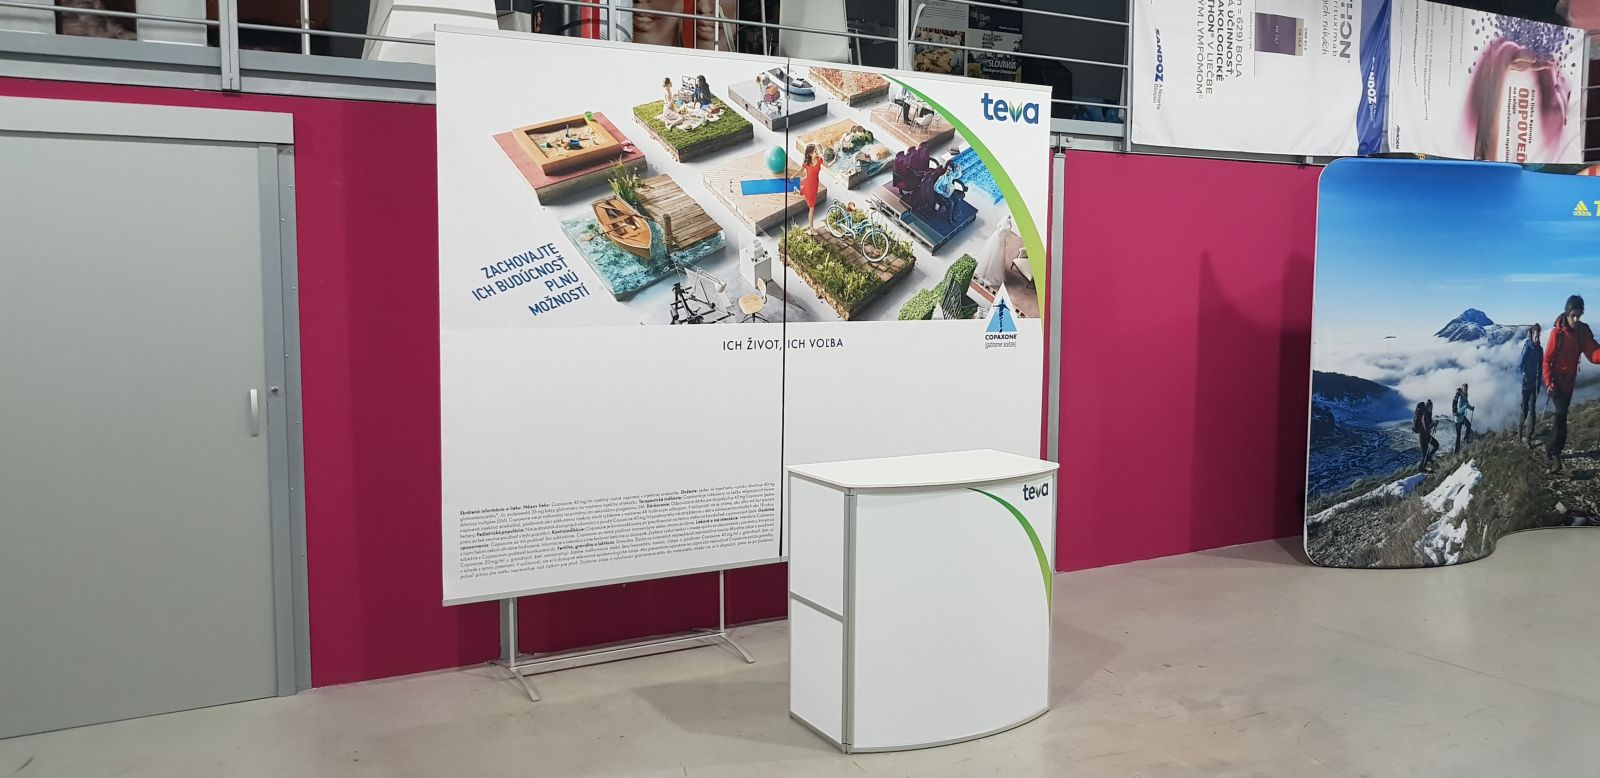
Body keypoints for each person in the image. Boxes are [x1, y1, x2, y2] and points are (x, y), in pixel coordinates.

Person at [1544, 295, 1600, 472]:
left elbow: (1593, 353)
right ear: (1567, 313)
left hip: (1569, 383)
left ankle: (1549, 448)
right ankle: (1555, 455)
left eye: (1579, 315)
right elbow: (1547, 360)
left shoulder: (1582, 332)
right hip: (1556, 383)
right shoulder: (1557, 333)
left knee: (1560, 418)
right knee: (1561, 418)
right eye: (1573, 315)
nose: (1576, 319)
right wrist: (1548, 382)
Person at [1520, 323, 1544, 445]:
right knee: (1525, 411)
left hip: (1534, 384)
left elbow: (1541, 367)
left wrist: (1539, 385)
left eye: (1539, 335)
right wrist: (1523, 373)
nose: (1537, 338)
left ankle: (1529, 437)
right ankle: (1520, 430)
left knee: (1532, 410)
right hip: (1526, 384)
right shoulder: (1527, 347)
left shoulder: (1540, 350)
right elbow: (1521, 363)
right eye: (1536, 335)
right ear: (1532, 335)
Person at [799, 144, 824, 228]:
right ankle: (811, 228)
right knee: (812, 208)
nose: (816, 152)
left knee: (811, 203)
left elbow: (825, 162)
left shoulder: (819, 160)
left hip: (815, 185)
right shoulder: (806, 163)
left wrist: (820, 153)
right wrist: (793, 176)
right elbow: (800, 170)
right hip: (809, 185)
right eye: (814, 151)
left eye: (816, 151)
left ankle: (798, 191)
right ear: (810, 154)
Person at [1414, 400, 1440, 471]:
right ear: (1427, 407)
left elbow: (1429, 423)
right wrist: (1433, 424)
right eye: (1430, 407)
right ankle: (1420, 469)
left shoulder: (1428, 414)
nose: (1431, 408)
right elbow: (1426, 428)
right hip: (1423, 437)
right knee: (1424, 455)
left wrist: (1434, 422)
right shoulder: (1424, 416)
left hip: (1427, 436)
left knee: (1436, 445)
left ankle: (1428, 459)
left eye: (1432, 407)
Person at [1452, 384, 1475, 451]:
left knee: (1469, 425)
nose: (1466, 390)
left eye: (1466, 389)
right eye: (1465, 389)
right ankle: (1456, 451)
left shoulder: (1465, 396)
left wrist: (1471, 408)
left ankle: (1466, 439)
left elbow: (1467, 404)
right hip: (1458, 419)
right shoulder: (1460, 398)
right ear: (1462, 389)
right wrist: (1465, 406)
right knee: (1458, 436)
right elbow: (1459, 410)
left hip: (1462, 417)